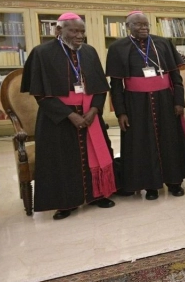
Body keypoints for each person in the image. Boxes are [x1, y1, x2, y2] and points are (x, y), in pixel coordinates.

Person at [21, 13, 116, 220]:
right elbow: (40, 94)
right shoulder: (41, 53)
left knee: (96, 154)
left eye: (82, 31)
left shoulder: (89, 52)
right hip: (57, 119)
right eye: (74, 31)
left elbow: (100, 88)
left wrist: (94, 111)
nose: (79, 35)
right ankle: (64, 203)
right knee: (61, 161)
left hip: (90, 114)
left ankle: (97, 195)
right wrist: (69, 115)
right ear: (58, 30)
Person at [106, 11, 185, 200]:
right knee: (142, 143)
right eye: (138, 25)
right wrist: (121, 112)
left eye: (146, 24)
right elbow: (116, 85)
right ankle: (151, 185)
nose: (144, 28)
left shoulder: (162, 43)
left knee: (170, 140)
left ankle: (174, 182)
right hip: (135, 104)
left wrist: (179, 102)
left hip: (165, 100)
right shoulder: (118, 48)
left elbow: (175, 77)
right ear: (128, 26)